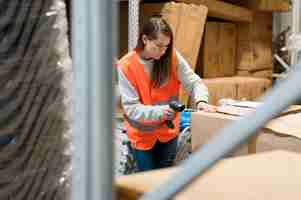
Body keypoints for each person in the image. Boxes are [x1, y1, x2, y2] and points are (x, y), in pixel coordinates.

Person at [117, 17, 217, 172]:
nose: (163, 51)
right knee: (147, 183)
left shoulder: (172, 57)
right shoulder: (126, 66)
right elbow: (131, 109)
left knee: (164, 183)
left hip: (168, 134)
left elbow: (194, 82)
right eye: (159, 46)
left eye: (167, 46)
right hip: (142, 137)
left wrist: (201, 101)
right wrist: (162, 112)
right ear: (145, 39)